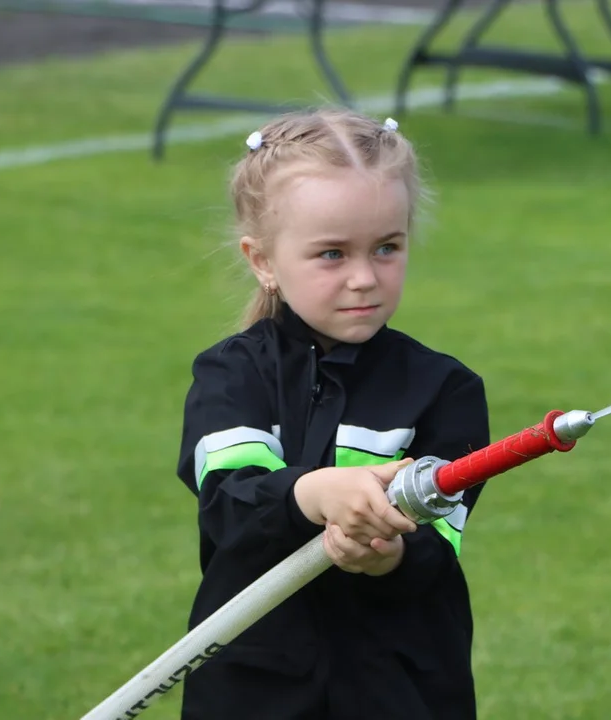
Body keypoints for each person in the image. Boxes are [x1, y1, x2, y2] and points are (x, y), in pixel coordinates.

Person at [174, 108, 492, 720]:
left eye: (386, 248)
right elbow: (230, 506)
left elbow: (439, 541)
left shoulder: (445, 389)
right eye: (331, 254)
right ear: (262, 260)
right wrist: (312, 493)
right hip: (255, 692)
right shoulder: (231, 376)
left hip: (400, 689)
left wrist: (391, 556)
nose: (364, 278)